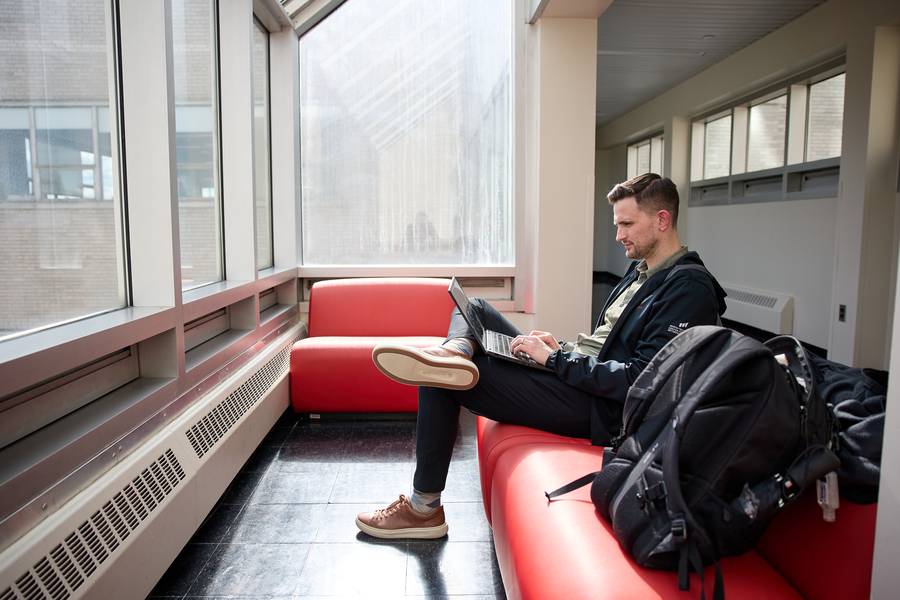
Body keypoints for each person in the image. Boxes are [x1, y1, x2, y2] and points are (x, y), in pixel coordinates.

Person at [355, 173, 727, 539]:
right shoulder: (640, 271)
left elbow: (643, 383)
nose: (619, 236)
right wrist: (561, 348)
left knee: (437, 381)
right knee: (479, 309)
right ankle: (455, 350)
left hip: (604, 410)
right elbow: (606, 344)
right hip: (577, 376)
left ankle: (423, 510)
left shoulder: (689, 290)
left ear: (662, 220)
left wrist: (554, 361)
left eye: (627, 224)